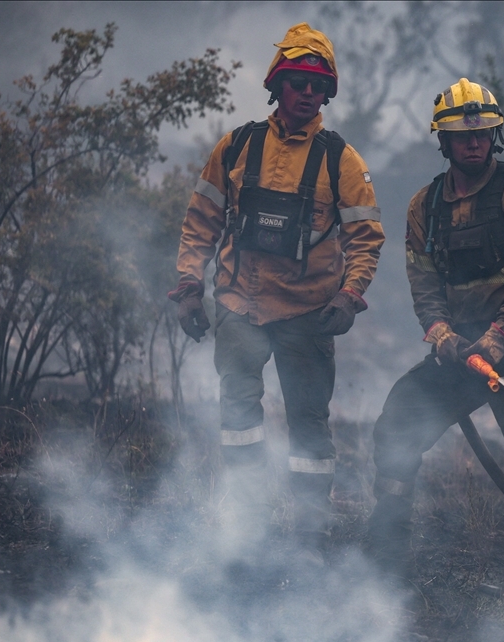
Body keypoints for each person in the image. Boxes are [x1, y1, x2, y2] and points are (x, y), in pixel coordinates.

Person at [168, 23, 384, 563]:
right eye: (298, 81)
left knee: (309, 420)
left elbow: (366, 238)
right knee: (238, 413)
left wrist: (349, 296)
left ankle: (309, 535)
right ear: (278, 85)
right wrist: (191, 286)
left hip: (309, 312)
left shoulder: (343, 162)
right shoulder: (237, 147)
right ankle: (246, 521)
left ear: (328, 93)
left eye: (318, 84)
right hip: (239, 304)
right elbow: (201, 221)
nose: (308, 92)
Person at [366, 78, 504, 578]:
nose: (474, 142)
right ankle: (383, 557)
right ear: (445, 141)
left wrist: (499, 335)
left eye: (483, 134)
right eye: (463, 135)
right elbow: (424, 281)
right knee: (398, 422)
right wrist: (440, 333)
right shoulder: (425, 206)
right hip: (465, 350)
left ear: (495, 136)